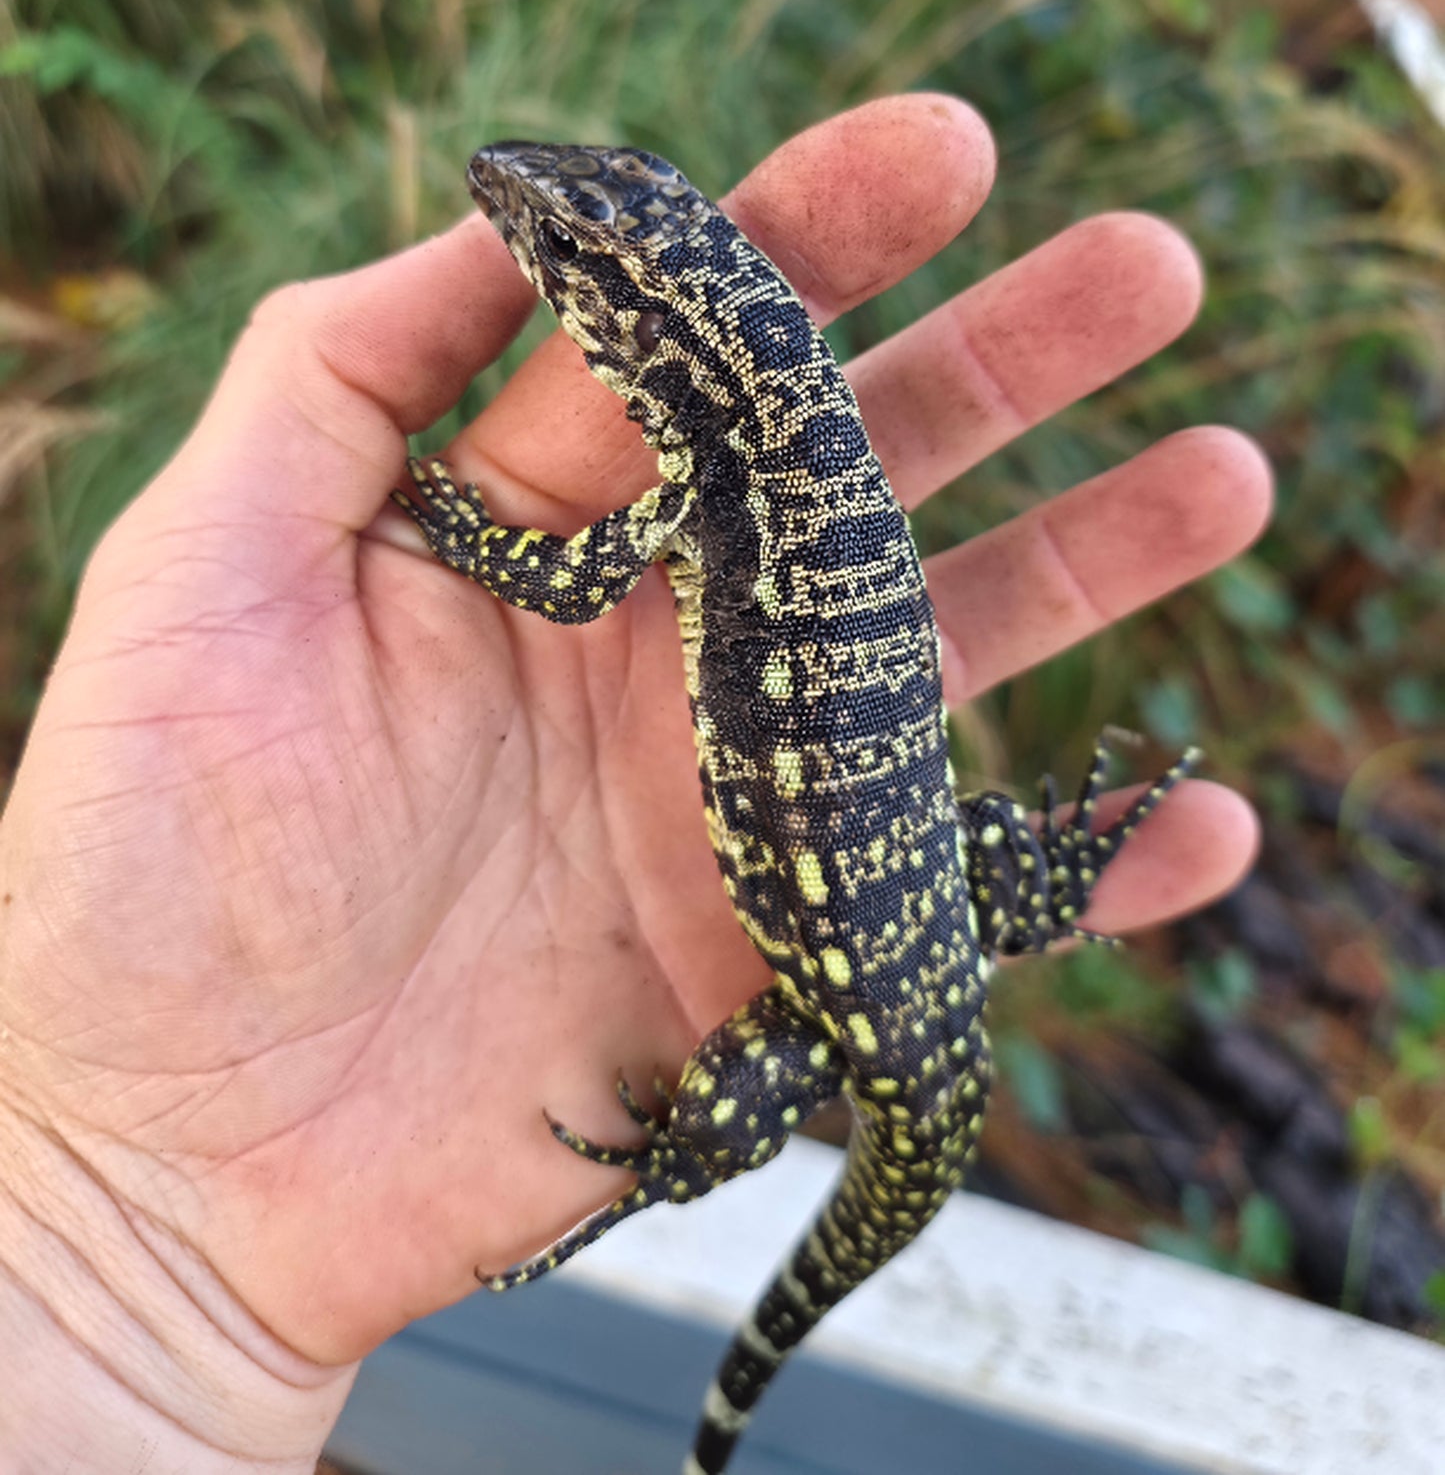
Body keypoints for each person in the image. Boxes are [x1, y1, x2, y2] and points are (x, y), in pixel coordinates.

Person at [0, 96, 1270, 1471]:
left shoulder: (715, 478)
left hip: (850, 999)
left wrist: (461, 520)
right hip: (913, 919)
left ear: (642, 337)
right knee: (956, 867)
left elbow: (565, 577)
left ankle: (683, 1207)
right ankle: (1035, 893)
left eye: (561, 244)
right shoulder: (806, 433)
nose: (516, 211)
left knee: (751, 1077)